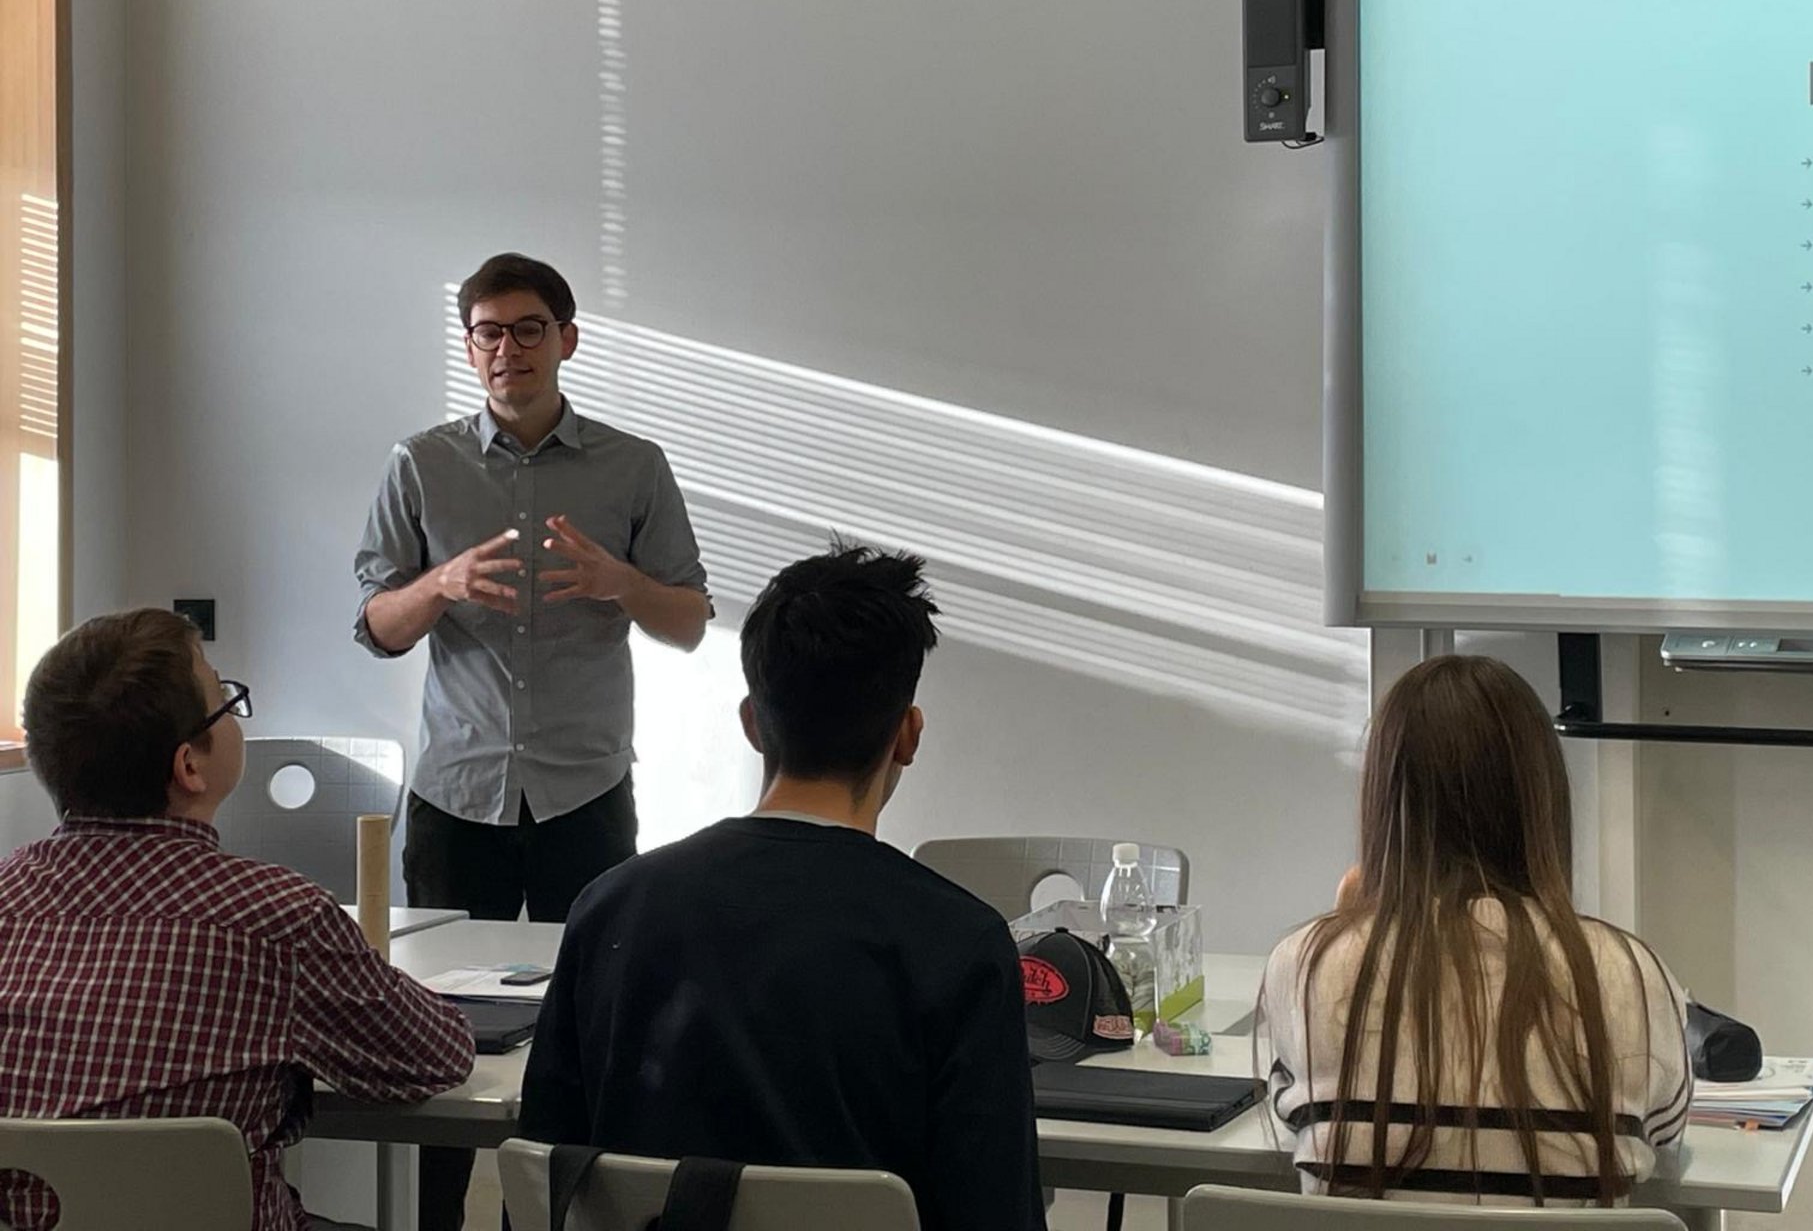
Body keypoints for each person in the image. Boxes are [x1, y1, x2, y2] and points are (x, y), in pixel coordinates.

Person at [518, 543, 1046, 1231]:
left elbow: (542, 1179)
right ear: (908, 735)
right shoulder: (959, 943)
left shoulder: (610, 906)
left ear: (752, 723)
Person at [354, 253, 709, 1227]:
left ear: (567, 340)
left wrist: (621, 584)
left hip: (584, 792)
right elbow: (377, 626)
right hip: (456, 792)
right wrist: (441, 584)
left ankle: (548, 1219)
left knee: (585, 1027)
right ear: (469, 348)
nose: (507, 348)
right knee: (431, 1028)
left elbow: (689, 619)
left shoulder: (634, 466)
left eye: (528, 329)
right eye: (489, 332)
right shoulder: (420, 463)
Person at [0, 609, 475, 1231]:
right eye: (225, 698)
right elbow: (436, 1058)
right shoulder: (277, 918)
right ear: (189, 767)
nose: (235, 713)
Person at [1258, 654, 1691, 1205]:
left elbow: (1291, 1111)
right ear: (1542, 799)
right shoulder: (1631, 972)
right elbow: (1663, 1140)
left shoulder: (1304, 963)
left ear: (1386, 801)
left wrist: (1347, 928)